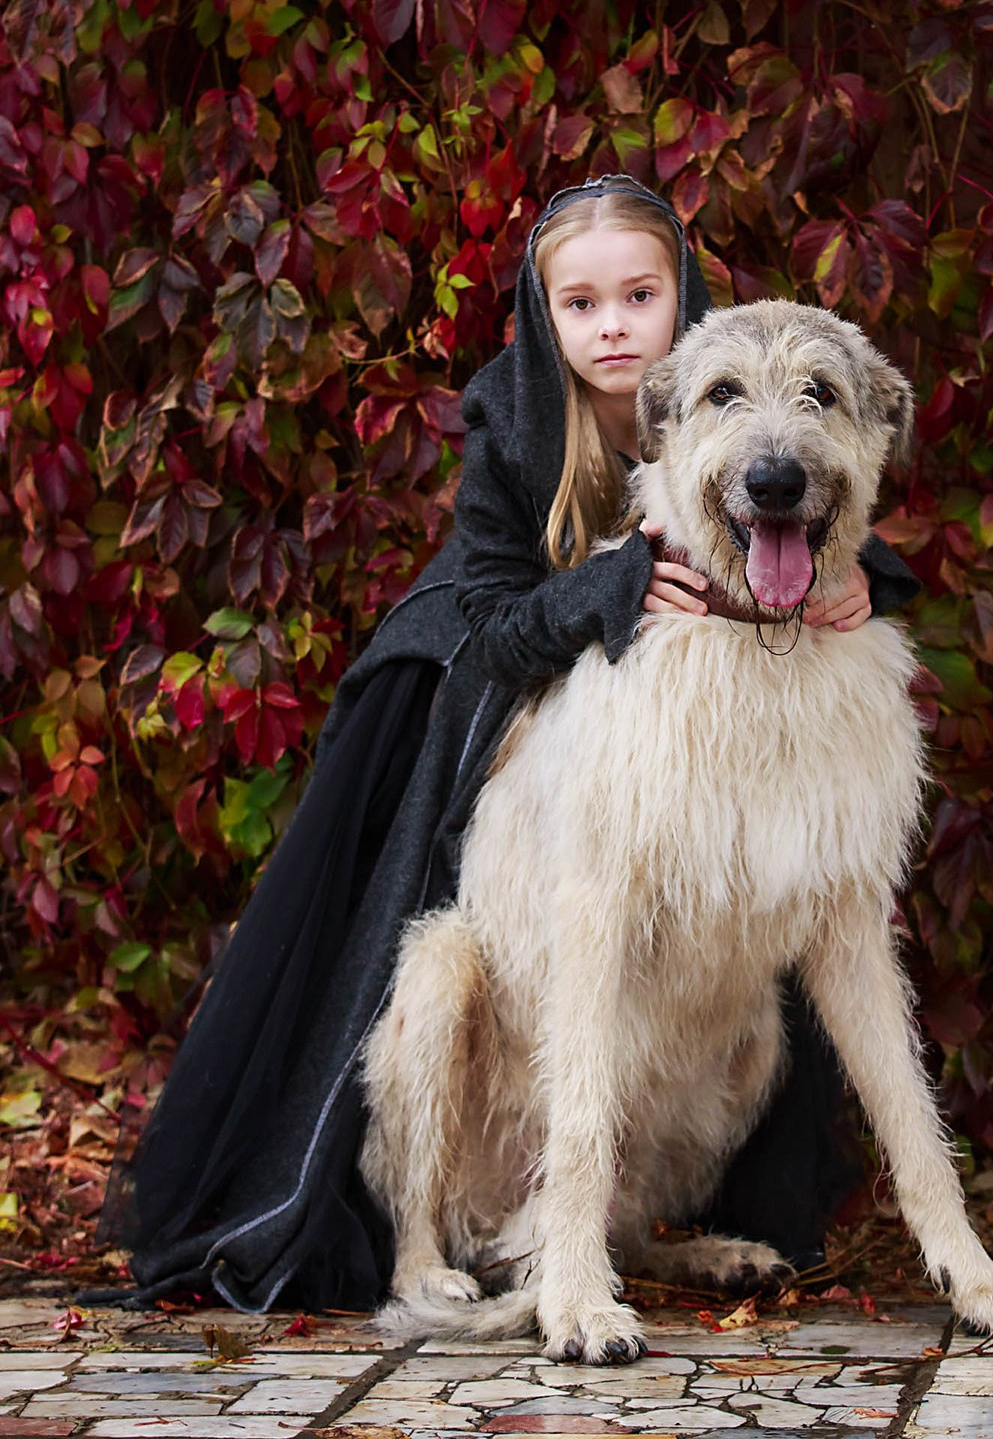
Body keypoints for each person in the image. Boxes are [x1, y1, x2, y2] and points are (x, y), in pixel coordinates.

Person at [106, 176, 918, 1314]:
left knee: (756, 963)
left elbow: (808, 503)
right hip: (510, 716)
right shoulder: (511, 417)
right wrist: (620, 579)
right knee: (443, 959)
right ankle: (430, 1222)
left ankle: (631, 1225)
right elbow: (490, 621)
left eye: (641, 295)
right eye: (581, 304)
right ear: (545, 318)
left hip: (688, 729)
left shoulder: (733, 395)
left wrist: (867, 582)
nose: (614, 326)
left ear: (683, 296)